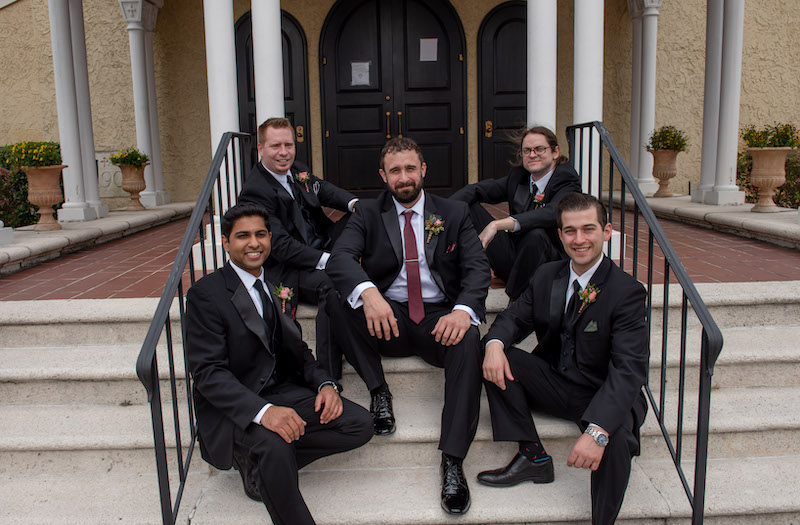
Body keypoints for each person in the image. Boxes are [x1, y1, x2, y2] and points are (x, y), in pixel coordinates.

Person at [326, 137, 491, 515]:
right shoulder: (367, 213)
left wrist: (463, 310)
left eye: (410, 168)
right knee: (336, 299)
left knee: (469, 337)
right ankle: (378, 391)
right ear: (383, 176)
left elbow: (478, 268)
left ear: (423, 171)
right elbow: (340, 259)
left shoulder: (453, 212)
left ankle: (452, 461)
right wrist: (369, 294)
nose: (404, 177)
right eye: (395, 170)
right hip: (390, 318)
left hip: (438, 319)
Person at [185, 203, 372, 525]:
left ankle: (259, 465)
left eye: (260, 234)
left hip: (280, 390)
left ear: (270, 238)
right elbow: (208, 373)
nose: (253, 243)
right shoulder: (206, 294)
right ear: (226, 243)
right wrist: (263, 413)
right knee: (275, 445)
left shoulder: (274, 284)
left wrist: (325, 384)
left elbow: (297, 350)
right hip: (236, 406)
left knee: (359, 423)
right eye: (243, 236)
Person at [478, 192, 648, 525]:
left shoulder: (626, 292)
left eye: (588, 229)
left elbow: (628, 369)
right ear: (560, 235)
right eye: (570, 231)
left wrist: (597, 431)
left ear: (606, 232)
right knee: (487, 350)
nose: (579, 239)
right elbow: (515, 317)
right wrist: (495, 342)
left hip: (601, 392)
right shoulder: (547, 275)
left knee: (614, 440)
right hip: (556, 381)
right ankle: (533, 455)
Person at [238, 117, 358, 377]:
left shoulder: (296, 170)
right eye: (275, 146)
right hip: (293, 265)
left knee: (360, 219)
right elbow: (280, 246)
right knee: (333, 283)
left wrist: (353, 204)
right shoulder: (256, 191)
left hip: (322, 244)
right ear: (261, 149)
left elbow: (322, 189)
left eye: (288, 145)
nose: (283, 153)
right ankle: (328, 374)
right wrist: (330, 260)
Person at [450, 125, 581, 300]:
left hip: (548, 264)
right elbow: (477, 189)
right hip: (516, 261)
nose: (532, 155)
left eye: (539, 149)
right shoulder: (519, 176)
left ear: (555, 152)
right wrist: (440, 215)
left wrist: (497, 224)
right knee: (468, 207)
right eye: (527, 150)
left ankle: (515, 303)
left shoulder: (566, 177)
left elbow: (553, 212)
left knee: (535, 234)